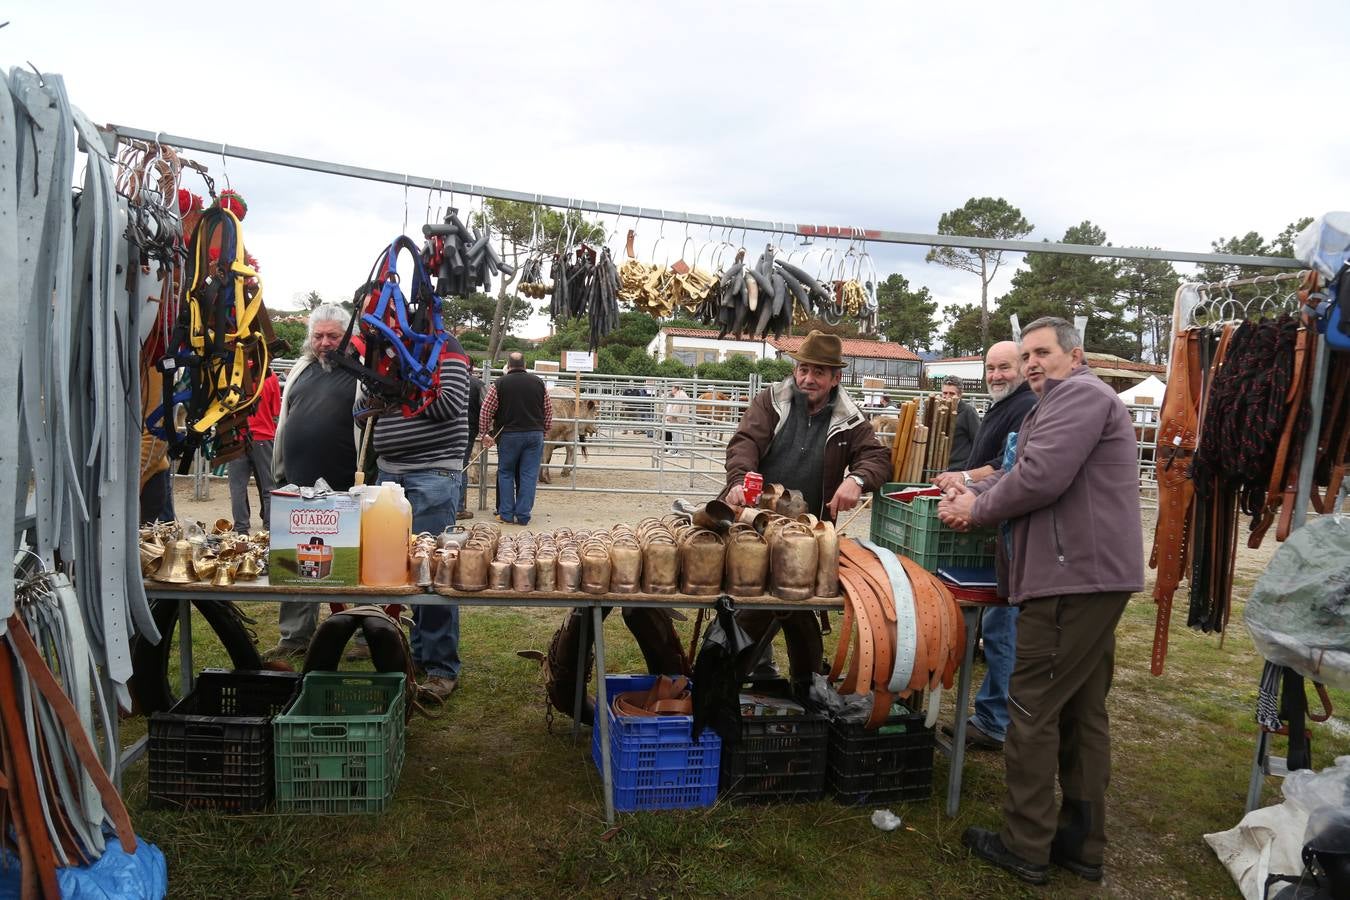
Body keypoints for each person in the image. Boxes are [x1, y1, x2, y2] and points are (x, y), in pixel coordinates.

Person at [938, 317, 1143, 885]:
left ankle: (1025, 843)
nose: (1030, 363)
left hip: (1070, 578)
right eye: (1024, 354)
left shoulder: (1077, 395)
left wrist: (974, 509)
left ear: (1074, 356)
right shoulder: (1064, 401)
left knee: (1029, 711)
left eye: (1041, 352)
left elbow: (1039, 478)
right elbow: (1019, 471)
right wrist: (976, 487)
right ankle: (1081, 841)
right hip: (1088, 578)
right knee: (1081, 711)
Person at [932, 341, 1038, 752]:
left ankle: (997, 721)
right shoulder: (1004, 403)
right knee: (996, 629)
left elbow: (1005, 467)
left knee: (1002, 629)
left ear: (1023, 367)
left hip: (1009, 533)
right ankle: (994, 716)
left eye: (1004, 367)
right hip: (995, 526)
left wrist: (965, 479)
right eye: (991, 368)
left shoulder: (1026, 405)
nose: (996, 375)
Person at [366, 333, 472, 702]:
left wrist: (400, 387)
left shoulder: (448, 350)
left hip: (433, 472)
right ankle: (419, 653)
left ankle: (442, 666)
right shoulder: (387, 355)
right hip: (389, 473)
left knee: (436, 570)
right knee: (399, 570)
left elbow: (449, 405)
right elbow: (367, 407)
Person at [263, 305, 361, 661]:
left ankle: (368, 635)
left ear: (348, 337)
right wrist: (282, 471)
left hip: (346, 487)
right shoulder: (303, 367)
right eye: (318, 336)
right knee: (296, 564)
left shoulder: (361, 374)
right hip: (298, 485)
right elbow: (286, 419)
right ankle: (295, 637)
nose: (324, 343)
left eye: (333, 336)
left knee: (354, 565)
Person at [723, 330, 890, 522]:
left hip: (810, 528)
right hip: (755, 518)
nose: (808, 379)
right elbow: (746, 441)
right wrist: (739, 479)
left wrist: (857, 480)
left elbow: (877, 457)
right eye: (803, 369)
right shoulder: (771, 401)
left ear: (836, 378)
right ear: (795, 371)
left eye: (819, 372)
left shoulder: (850, 418)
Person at [479, 352, 551, 526]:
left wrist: (484, 433)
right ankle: (524, 515)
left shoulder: (500, 383)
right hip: (534, 434)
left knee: (506, 473)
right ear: (525, 365)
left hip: (509, 435)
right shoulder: (538, 383)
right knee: (529, 474)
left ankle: (506, 514)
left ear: (509, 366)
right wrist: (545, 430)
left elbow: (486, 410)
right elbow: (548, 409)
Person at [227, 367, 280, 534]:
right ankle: (270, 528)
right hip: (263, 437)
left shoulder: (231, 375)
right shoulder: (270, 376)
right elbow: (275, 410)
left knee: (237, 487)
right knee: (269, 487)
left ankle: (241, 528)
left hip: (236, 439)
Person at [458, 372, 485, 520]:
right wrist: (486, 430)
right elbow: (486, 406)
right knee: (462, 467)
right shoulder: (477, 384)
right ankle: (458, 507)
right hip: (467, 429)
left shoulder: (444, 379)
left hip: (444, 430)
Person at [941, 375, 981, 471]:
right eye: (945, 393)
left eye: (951, 393)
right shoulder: (937, 410)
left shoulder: (969, 412)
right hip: (938, 465)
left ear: (960, 395)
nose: (947, 397)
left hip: (959, 467)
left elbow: (978, 440)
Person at [663, 385, 690, 454]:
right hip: (678, 418)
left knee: (678, 435)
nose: (671, 390)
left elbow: (677, 408)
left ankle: (680, 452)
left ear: (676, 389)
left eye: (672, 389)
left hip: (679, 419)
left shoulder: (680, 396)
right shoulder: (681, 395)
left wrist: (670, 416)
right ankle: (674, 450)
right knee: (675, 435)